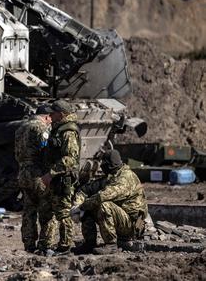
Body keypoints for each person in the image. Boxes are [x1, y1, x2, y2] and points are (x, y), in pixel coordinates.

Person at [71, 149, 148, 254]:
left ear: (110, 164)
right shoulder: (114, 175)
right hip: (122, 220)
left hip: (132, 225)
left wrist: (82, 206)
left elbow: (102, 196)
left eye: (104, 164)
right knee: (89, 208)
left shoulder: (125, 178)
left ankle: (111, 245)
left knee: (104, 205)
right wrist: (77, 205)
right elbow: (87, 189)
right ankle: (89, 244)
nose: (102, 167)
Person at [14, 104, 56, 253]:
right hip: (38, 173)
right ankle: (45, 245)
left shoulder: (20, 128)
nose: (51, 121)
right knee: (47, 208)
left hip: (23, 172)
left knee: (29, 209)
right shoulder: (41, 128)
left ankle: (29, 243)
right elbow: (46, 151)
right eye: (50, 118)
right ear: (46, 116)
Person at [41, 100, 80, 254]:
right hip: (55, 179)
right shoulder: (58, 129)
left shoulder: (68, 131)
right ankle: (46, 245)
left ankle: (65, 246)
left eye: (53, 112)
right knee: (49, 212)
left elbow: (70, 158)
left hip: (62, 179)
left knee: (63, 213)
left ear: (62, 114)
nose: (50, 115)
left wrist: (51, 173)